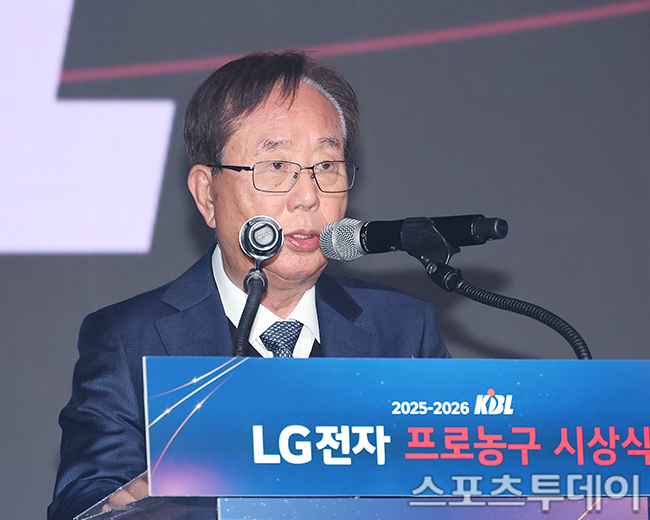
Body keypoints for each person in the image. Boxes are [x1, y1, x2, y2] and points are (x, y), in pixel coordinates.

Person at [48, 51, 450, 520]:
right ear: (207, 194)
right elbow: (83, 504)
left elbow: (452, 490)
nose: (308, 196)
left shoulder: (403, 331)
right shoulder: (129, 339)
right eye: (275, 165)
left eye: (327, 166)